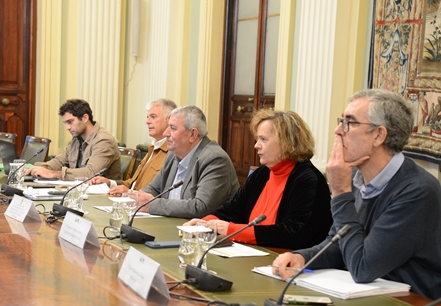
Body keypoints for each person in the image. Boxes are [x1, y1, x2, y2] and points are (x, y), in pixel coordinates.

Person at [272, 89, 441, 300]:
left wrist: (341, 192)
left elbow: (363, 267)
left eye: (349, 123)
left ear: (379, 135)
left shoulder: (417, 191)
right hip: (368, 294)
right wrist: (303, 257)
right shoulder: (356, 178)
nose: (337, 130)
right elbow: (339, 242)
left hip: (409, 300)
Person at [184, 109, 333, 249]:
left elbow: (293, 232)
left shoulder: (308, 179)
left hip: (287, 259)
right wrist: (206, 222)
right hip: (252, 253)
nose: (256, 146)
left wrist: (232, 230)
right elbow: (233, 209)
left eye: (263, 139)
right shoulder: (262, 174)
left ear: (286, 142)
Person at [132, 105, 239, 218]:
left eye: (172, 128)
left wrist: (151, 205)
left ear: (192, 134)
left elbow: (201, 207)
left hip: (203, 233)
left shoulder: (214, 159)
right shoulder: (173, 154)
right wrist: (135, 198)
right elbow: (154, 188)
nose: (166, 133)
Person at [90, 98, 177, 192]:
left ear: (169, 120)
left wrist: (129, 193)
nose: (147, 121)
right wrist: (109, 183)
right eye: (147, 117)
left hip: (141, 204)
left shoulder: (173, 152)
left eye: (153, 116)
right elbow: (133, 184)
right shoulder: (153, 148)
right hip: (130, 201)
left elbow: (161, 193)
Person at [25, 99, 122, 181]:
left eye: (70, 122)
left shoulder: (103, 140)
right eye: (65, 123)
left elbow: (91, 173)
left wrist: (53, 174)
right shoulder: (77, 139)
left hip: (101, 197)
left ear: (84, 118)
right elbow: (59, 161)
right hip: (80, 193)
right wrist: (40, 168)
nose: (67, 127)